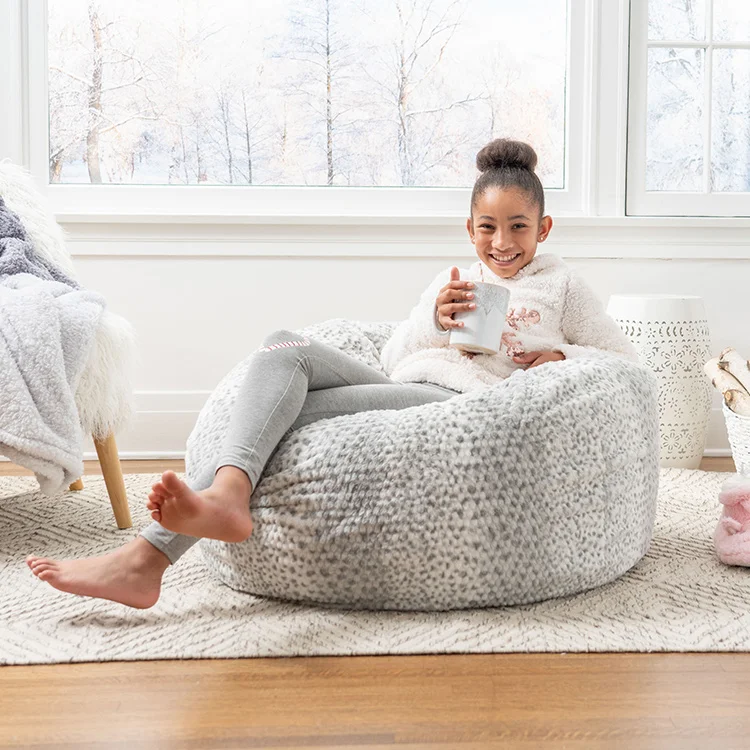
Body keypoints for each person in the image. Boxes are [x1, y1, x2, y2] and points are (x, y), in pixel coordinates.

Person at [26, 138, 638, 609]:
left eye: (518, 227)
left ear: (544, 228)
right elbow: (396, 357)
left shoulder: (561, 286)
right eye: (487, 227)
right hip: (414, 379)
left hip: (457, 401)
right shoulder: (455, 282)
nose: (501, 243)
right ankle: (219, 504)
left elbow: (623, 364)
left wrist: (560, 359)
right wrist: (434, 316)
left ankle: (145, 561)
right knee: (281, 346)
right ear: (469, 229)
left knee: (270, 429)